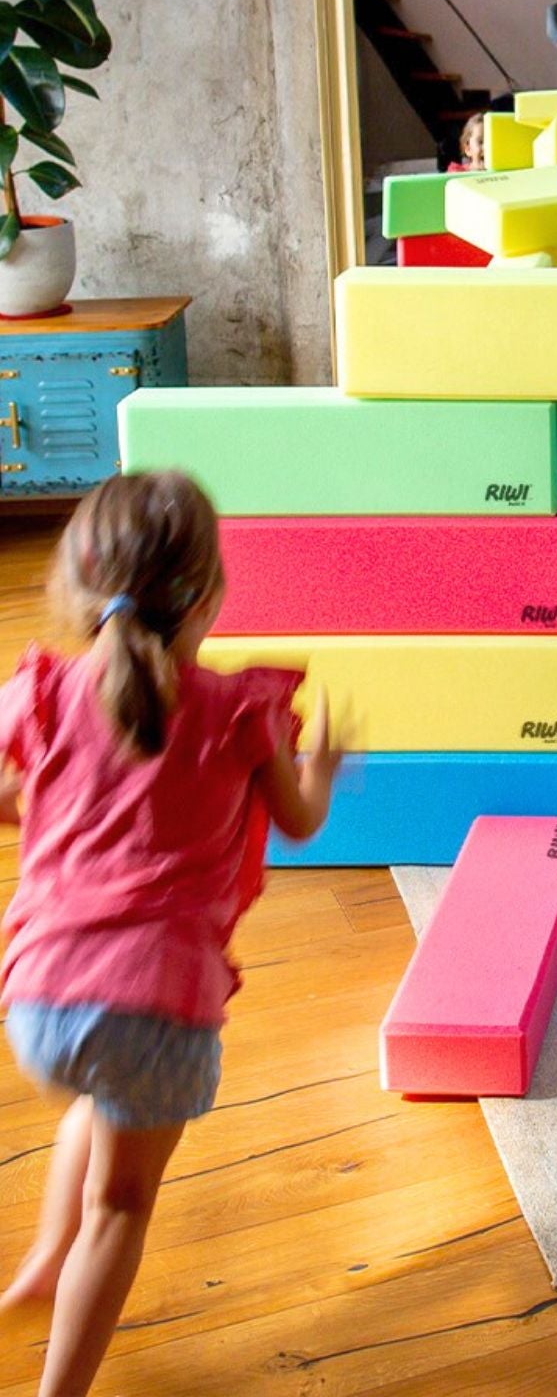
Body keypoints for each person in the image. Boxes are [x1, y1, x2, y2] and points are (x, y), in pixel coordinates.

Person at [0, 472, 339, 1396]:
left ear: (78, 580)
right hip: (156, 1010)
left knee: (91, 1102)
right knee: (123, 1204)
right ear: (210, 594)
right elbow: (300, 818)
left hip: (37, 1001)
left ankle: (39, 1263)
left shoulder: (39, 691)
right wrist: (324, 763)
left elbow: (6, 803)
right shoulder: (237, 711)